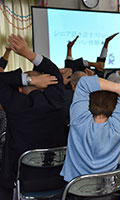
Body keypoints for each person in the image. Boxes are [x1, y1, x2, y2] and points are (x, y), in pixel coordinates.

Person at [60, 32, 120, 185]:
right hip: (107, 190)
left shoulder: (79, 121)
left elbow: (84, 83)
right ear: (115, 105)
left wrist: (117, 87)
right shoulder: (118, 126)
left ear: (87, 102)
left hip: (76, 190)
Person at [0, 34, 68, 199]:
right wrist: (28, 53)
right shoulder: (57, 100)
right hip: (59, 180)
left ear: (20, 89)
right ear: (46, 85)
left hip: (21, 181)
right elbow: (55, 73)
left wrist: (28, 80)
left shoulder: (16, 105)